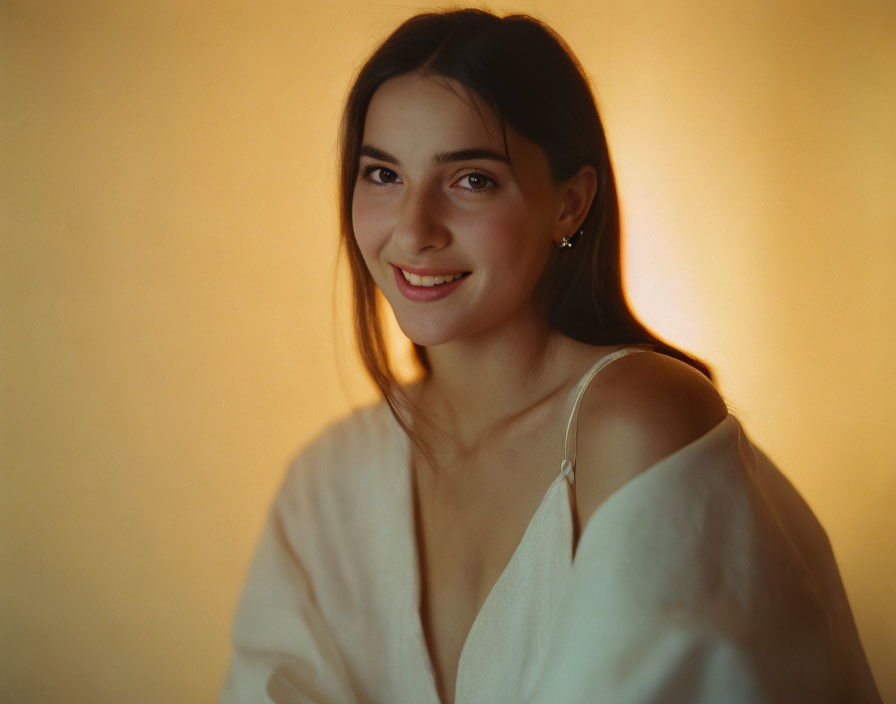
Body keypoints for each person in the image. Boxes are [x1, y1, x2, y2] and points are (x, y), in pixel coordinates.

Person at [221, 9, 881, 704]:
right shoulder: (327, 486)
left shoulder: (640, 422)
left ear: (570, 204)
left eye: (470, 179)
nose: (413, 232)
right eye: (383, 175)